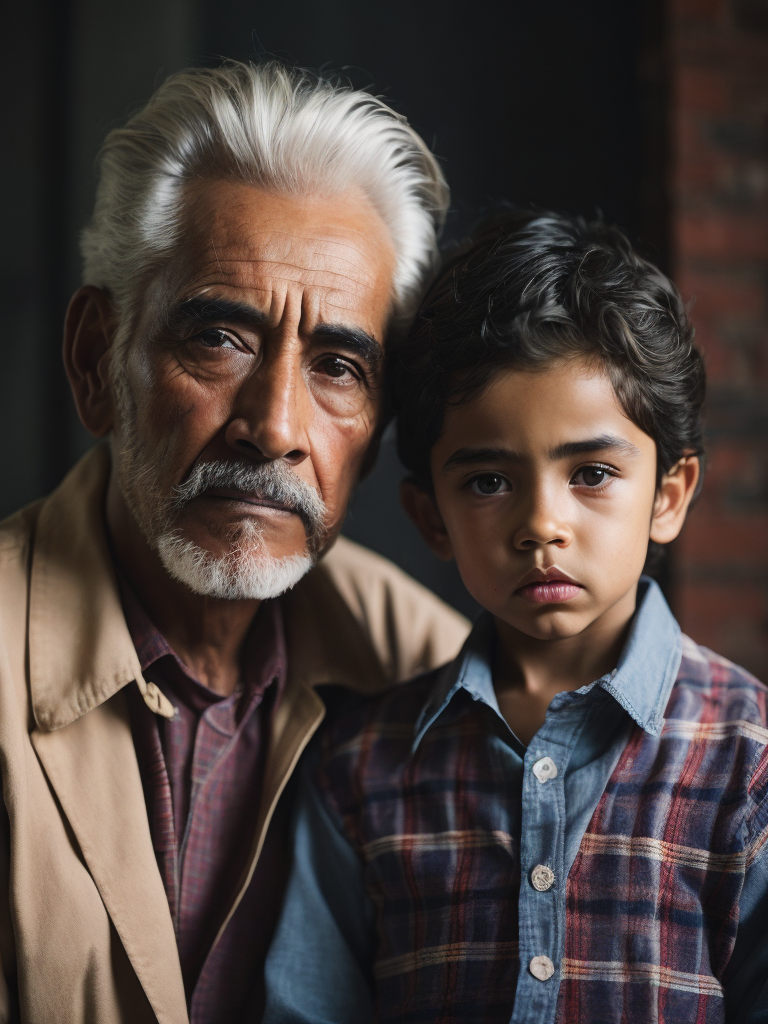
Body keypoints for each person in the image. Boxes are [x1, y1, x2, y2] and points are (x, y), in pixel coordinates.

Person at [0, 61, 471, 1024]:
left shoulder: (439, 680)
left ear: (381, 428)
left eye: (339, 365)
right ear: (98, 361)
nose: (277, 425)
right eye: (220, 339)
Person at [262, 210, 768, 1024]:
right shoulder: (360, 771)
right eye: (488, 482)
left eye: (593, 472)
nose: (541, 524)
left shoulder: (751, 766)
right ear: (432, 519)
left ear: (668, 496)